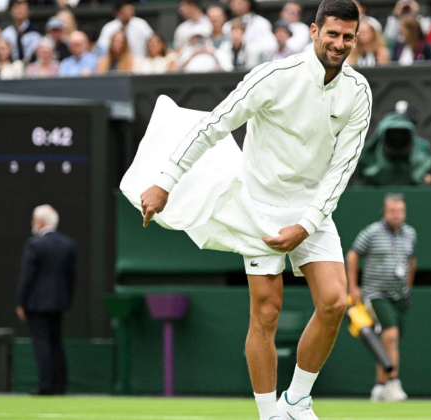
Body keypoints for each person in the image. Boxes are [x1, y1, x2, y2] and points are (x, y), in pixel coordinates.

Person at [137, 0, 371, 418]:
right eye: (332, 33)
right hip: (258, 204)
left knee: (335, 302)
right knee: (266, 312)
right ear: (314, 31)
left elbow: (342, 167)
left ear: (357, 37)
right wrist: (165, 182)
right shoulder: (273, 75)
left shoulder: (358, 92)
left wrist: (306, 224)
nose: (339, 43)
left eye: (348, 36)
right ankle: (269, 414)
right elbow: (214, 124)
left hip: (312, 209)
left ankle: (297, 400)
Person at [346, 193, 417, 403]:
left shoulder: (410, 234)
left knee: (389, 340)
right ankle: (393, 382)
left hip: (399, 296)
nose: (397, 215)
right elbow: (352, 255)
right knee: (391, 335)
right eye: (393, 211)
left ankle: (379, 387)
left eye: (401, 211)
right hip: (375, 293)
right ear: (384, 212)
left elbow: (412, 261)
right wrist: (353, 286)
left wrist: (407, 286)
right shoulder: (372, 232)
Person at [16, 205, 76, 396]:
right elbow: (72, 277)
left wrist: (21, 303)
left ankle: (46, 385)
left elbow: (27, 277)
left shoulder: (35, 244)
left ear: (41, 222)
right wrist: (67, 302)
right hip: (59, 304)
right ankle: (60, 384)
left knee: (41, 343)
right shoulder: (68, 244)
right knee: (56, 342)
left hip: (37, 304)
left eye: (34, 220)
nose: (32, 223)